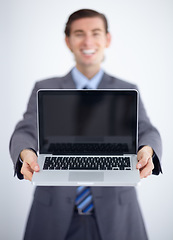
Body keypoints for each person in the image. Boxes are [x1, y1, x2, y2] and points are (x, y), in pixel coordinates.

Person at [9, 9, 162, 240]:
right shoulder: (45, 88)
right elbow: (26, 128)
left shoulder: (125, 89)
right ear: (68, 41)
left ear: (107, 39)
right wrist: (26, 152)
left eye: (96, 32)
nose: (88, 41)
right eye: (79, 33)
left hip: (118, 219)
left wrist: (147, 150)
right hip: (53, 218)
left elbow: (147, 130)